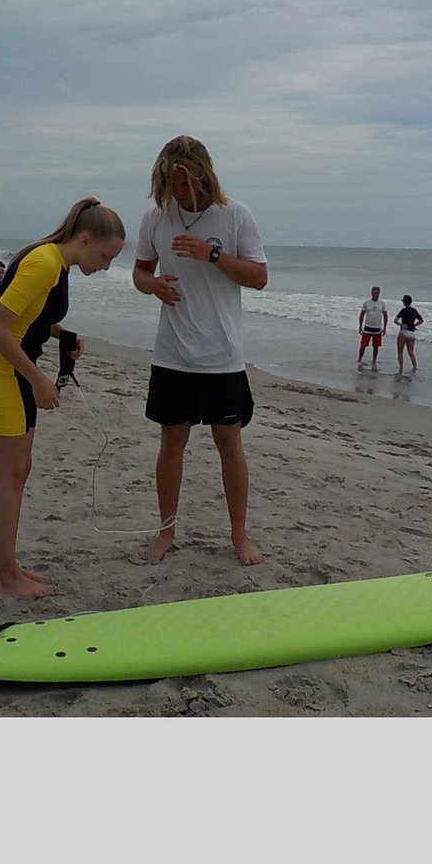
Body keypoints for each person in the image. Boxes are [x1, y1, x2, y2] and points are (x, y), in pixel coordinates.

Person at [0, 196, 125, 598]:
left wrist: (63, 335)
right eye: (106, 257)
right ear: (86, 240)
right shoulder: (43, 263)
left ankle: (10, 565)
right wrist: (39, 378)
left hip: (14, 369)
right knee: (8, 475)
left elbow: (32, 318)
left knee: (20, 469)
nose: (106, 267)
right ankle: (4, 578)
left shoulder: (58, 264)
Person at [132, 135, 269, 566]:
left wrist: (213, 255)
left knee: (230, 445)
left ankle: (239, 536)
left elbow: (259, 277)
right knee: (171, 444)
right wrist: (151, 285)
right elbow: (139, 270)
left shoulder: (235, 216)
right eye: (173, 183)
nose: (181, 192)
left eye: (188, 182)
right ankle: (165, 531)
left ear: (205, 176)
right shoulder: (157, 218)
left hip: (222, 356)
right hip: (171, 354)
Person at [357, 285, 388, 370]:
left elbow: (385, 316)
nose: (376, 294)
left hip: (377, 328)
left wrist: (385, 327)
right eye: (375, 293)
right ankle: (359, 360)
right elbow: (362, 315)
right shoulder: (367, 303)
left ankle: (374, 362)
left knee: (376, 346)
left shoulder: (382, 303)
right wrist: (360, 326)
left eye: (378, 293)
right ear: (372, 293)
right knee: (363, 345)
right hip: (367, 327)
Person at [394, 293, 424, 374]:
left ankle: (401, 368)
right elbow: (421, 320)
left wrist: (401, 324)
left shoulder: (403, 311)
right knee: (411, 352)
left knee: (400, 351)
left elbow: (395, 320)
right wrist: (415, 325)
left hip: (404, 332)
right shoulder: (414, 311)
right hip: (412, 333)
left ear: (404, 302)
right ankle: (414, 367)